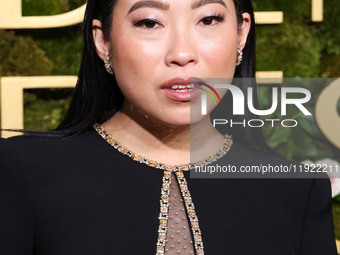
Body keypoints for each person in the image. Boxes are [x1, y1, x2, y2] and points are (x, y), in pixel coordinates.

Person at [0, 0, 338, 254]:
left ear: (241, 33)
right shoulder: (22, 172)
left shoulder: (297, 189)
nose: (181, 53)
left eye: (208, 19)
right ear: (103, 41)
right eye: (149, 23)